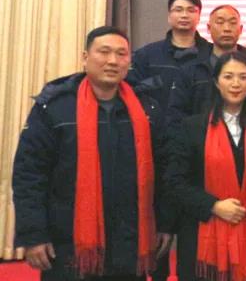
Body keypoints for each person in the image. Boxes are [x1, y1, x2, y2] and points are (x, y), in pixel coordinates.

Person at [14, 27, 173, 281]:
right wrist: (34, 234)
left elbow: (165, 172)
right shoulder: (54, 107)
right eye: (104, 52)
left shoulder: (147, 109)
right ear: (85, 57)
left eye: (121, 54)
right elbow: (29, 174)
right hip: (68, 245)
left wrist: (165, 223)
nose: (113, 61)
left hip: (130, 243)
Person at [167, 52, 246, 281]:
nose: (236, 83)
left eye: (243, 77)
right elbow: (174, 182)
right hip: (202, 239)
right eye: (228, 76)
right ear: (217, 82)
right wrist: (214, 206)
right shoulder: (192, 127)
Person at [130, 0, 213, 127]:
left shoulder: (211, 55)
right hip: (156, 132)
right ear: (169, 16)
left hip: (201, 132)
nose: (184, 15)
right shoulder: (147, 55)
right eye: (178, 10)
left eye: (191, 10)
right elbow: (131, 92)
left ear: (199, 17)